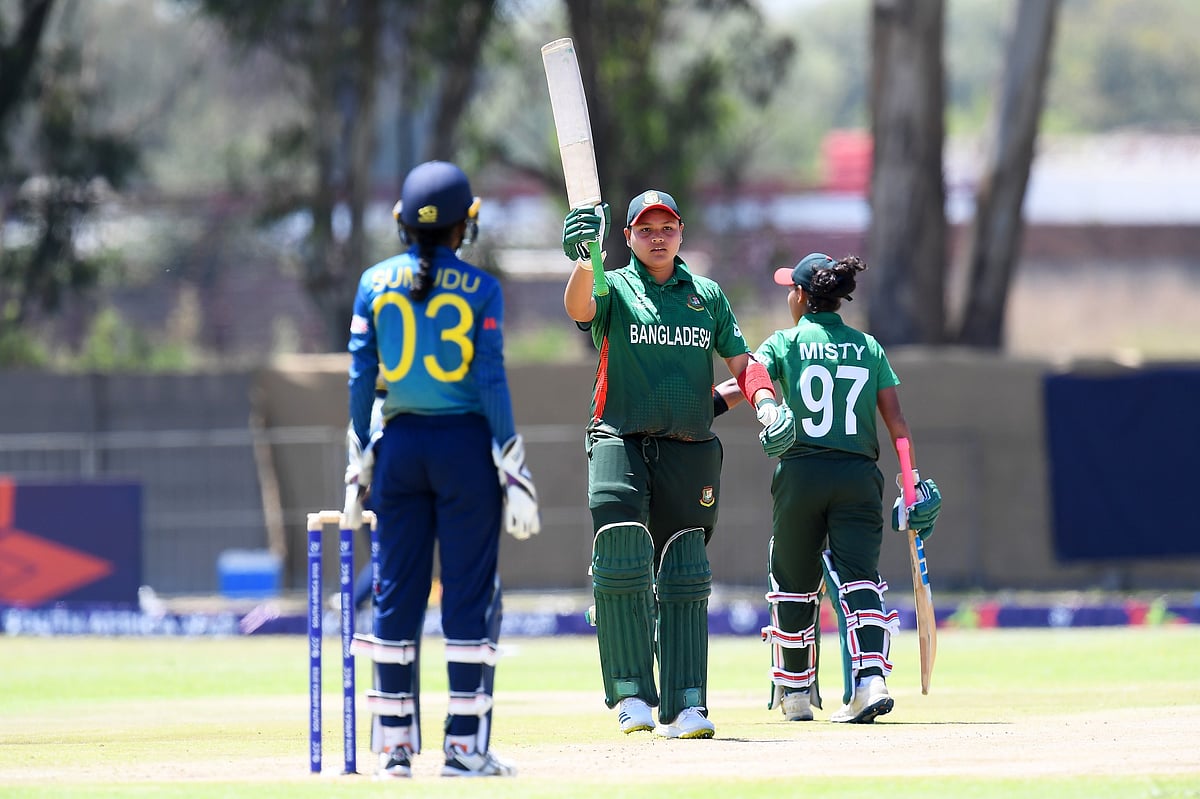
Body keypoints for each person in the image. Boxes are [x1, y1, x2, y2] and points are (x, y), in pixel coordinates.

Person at [560, 190, 796, 740]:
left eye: (666, 227)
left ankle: (686, 703)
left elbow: (743, 362)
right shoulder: (613, 284)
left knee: (685, 566)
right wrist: (580, 258)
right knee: (621, 548)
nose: (657, 236)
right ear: (628, 238)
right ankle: (630, 695)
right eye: (645, 229)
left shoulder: (707, 296)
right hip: (620, 435)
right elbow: (579, 309)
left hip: (689, 445)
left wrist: (766, 404)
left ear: (682, 233)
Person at [344, 160, 540, 778]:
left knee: (394, 596)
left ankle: (395, 750)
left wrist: (359, 459)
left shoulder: (374, 282)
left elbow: (359, 382)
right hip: (462, 451)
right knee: (469, 599)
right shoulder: (482, 290)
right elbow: (490, 384)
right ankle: (464, 750)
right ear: (465, 225)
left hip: (397, 449)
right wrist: (513, 466)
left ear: (403, 223)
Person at [714, 252, 942, 724]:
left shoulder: (787, 340)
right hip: (859, 476)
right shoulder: (868, 346)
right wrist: (910, 483)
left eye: (788, 291)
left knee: (793, 581)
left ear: (800, 295)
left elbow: (751, 375)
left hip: (801, 472)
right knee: (861, 579)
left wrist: (709, 404)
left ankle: (795, 693)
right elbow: (897, 424)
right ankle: (871, 681)